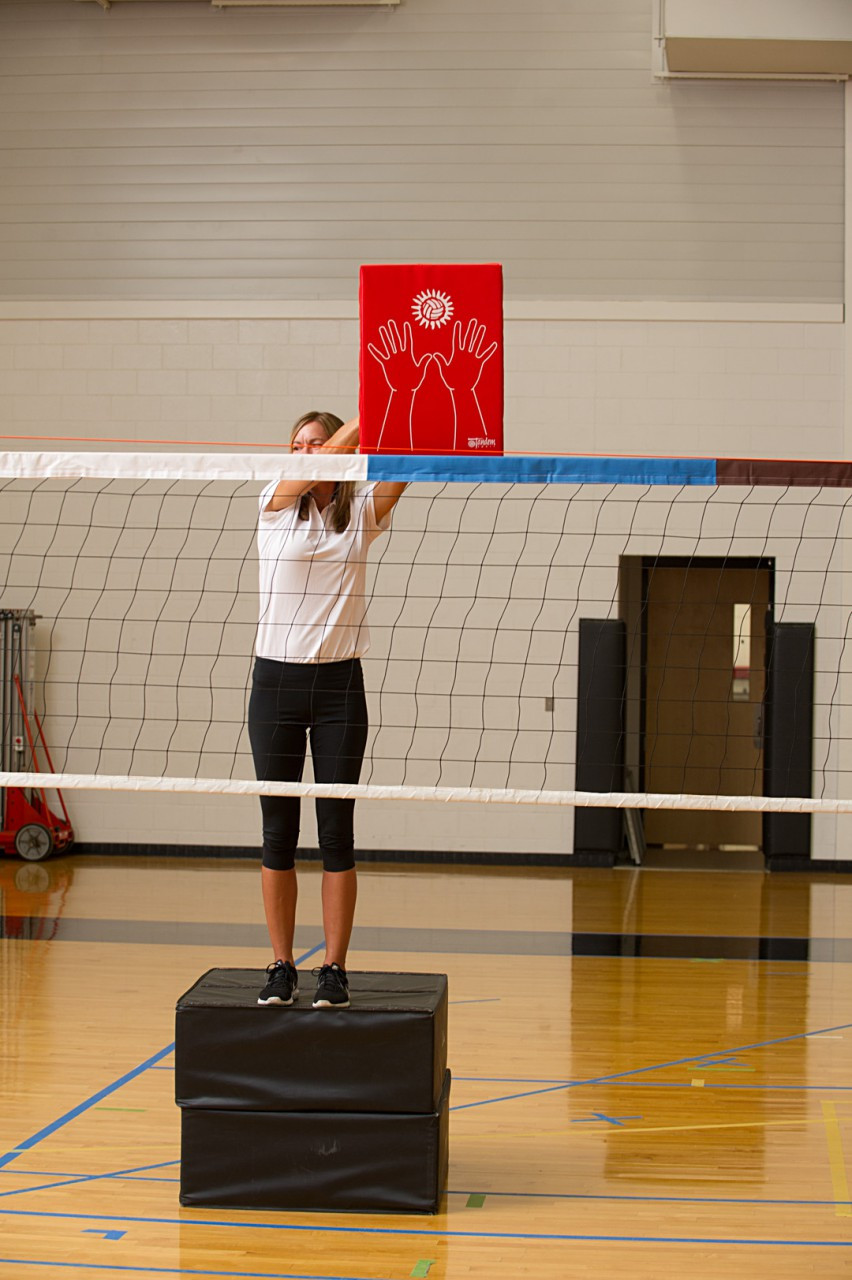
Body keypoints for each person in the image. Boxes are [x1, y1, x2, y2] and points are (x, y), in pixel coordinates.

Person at [248, 411, 405, 1008]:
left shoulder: (360, 513)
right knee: (277, 834)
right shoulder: (275, 502)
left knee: (337, 834)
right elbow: (309, 467)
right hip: (275, 687)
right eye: (299, 442)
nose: (305, 449)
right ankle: (281, 965)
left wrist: (405, 401)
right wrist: (367, 413)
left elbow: (405, 468)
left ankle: (333, 970)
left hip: (340, 687)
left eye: (317, 441)